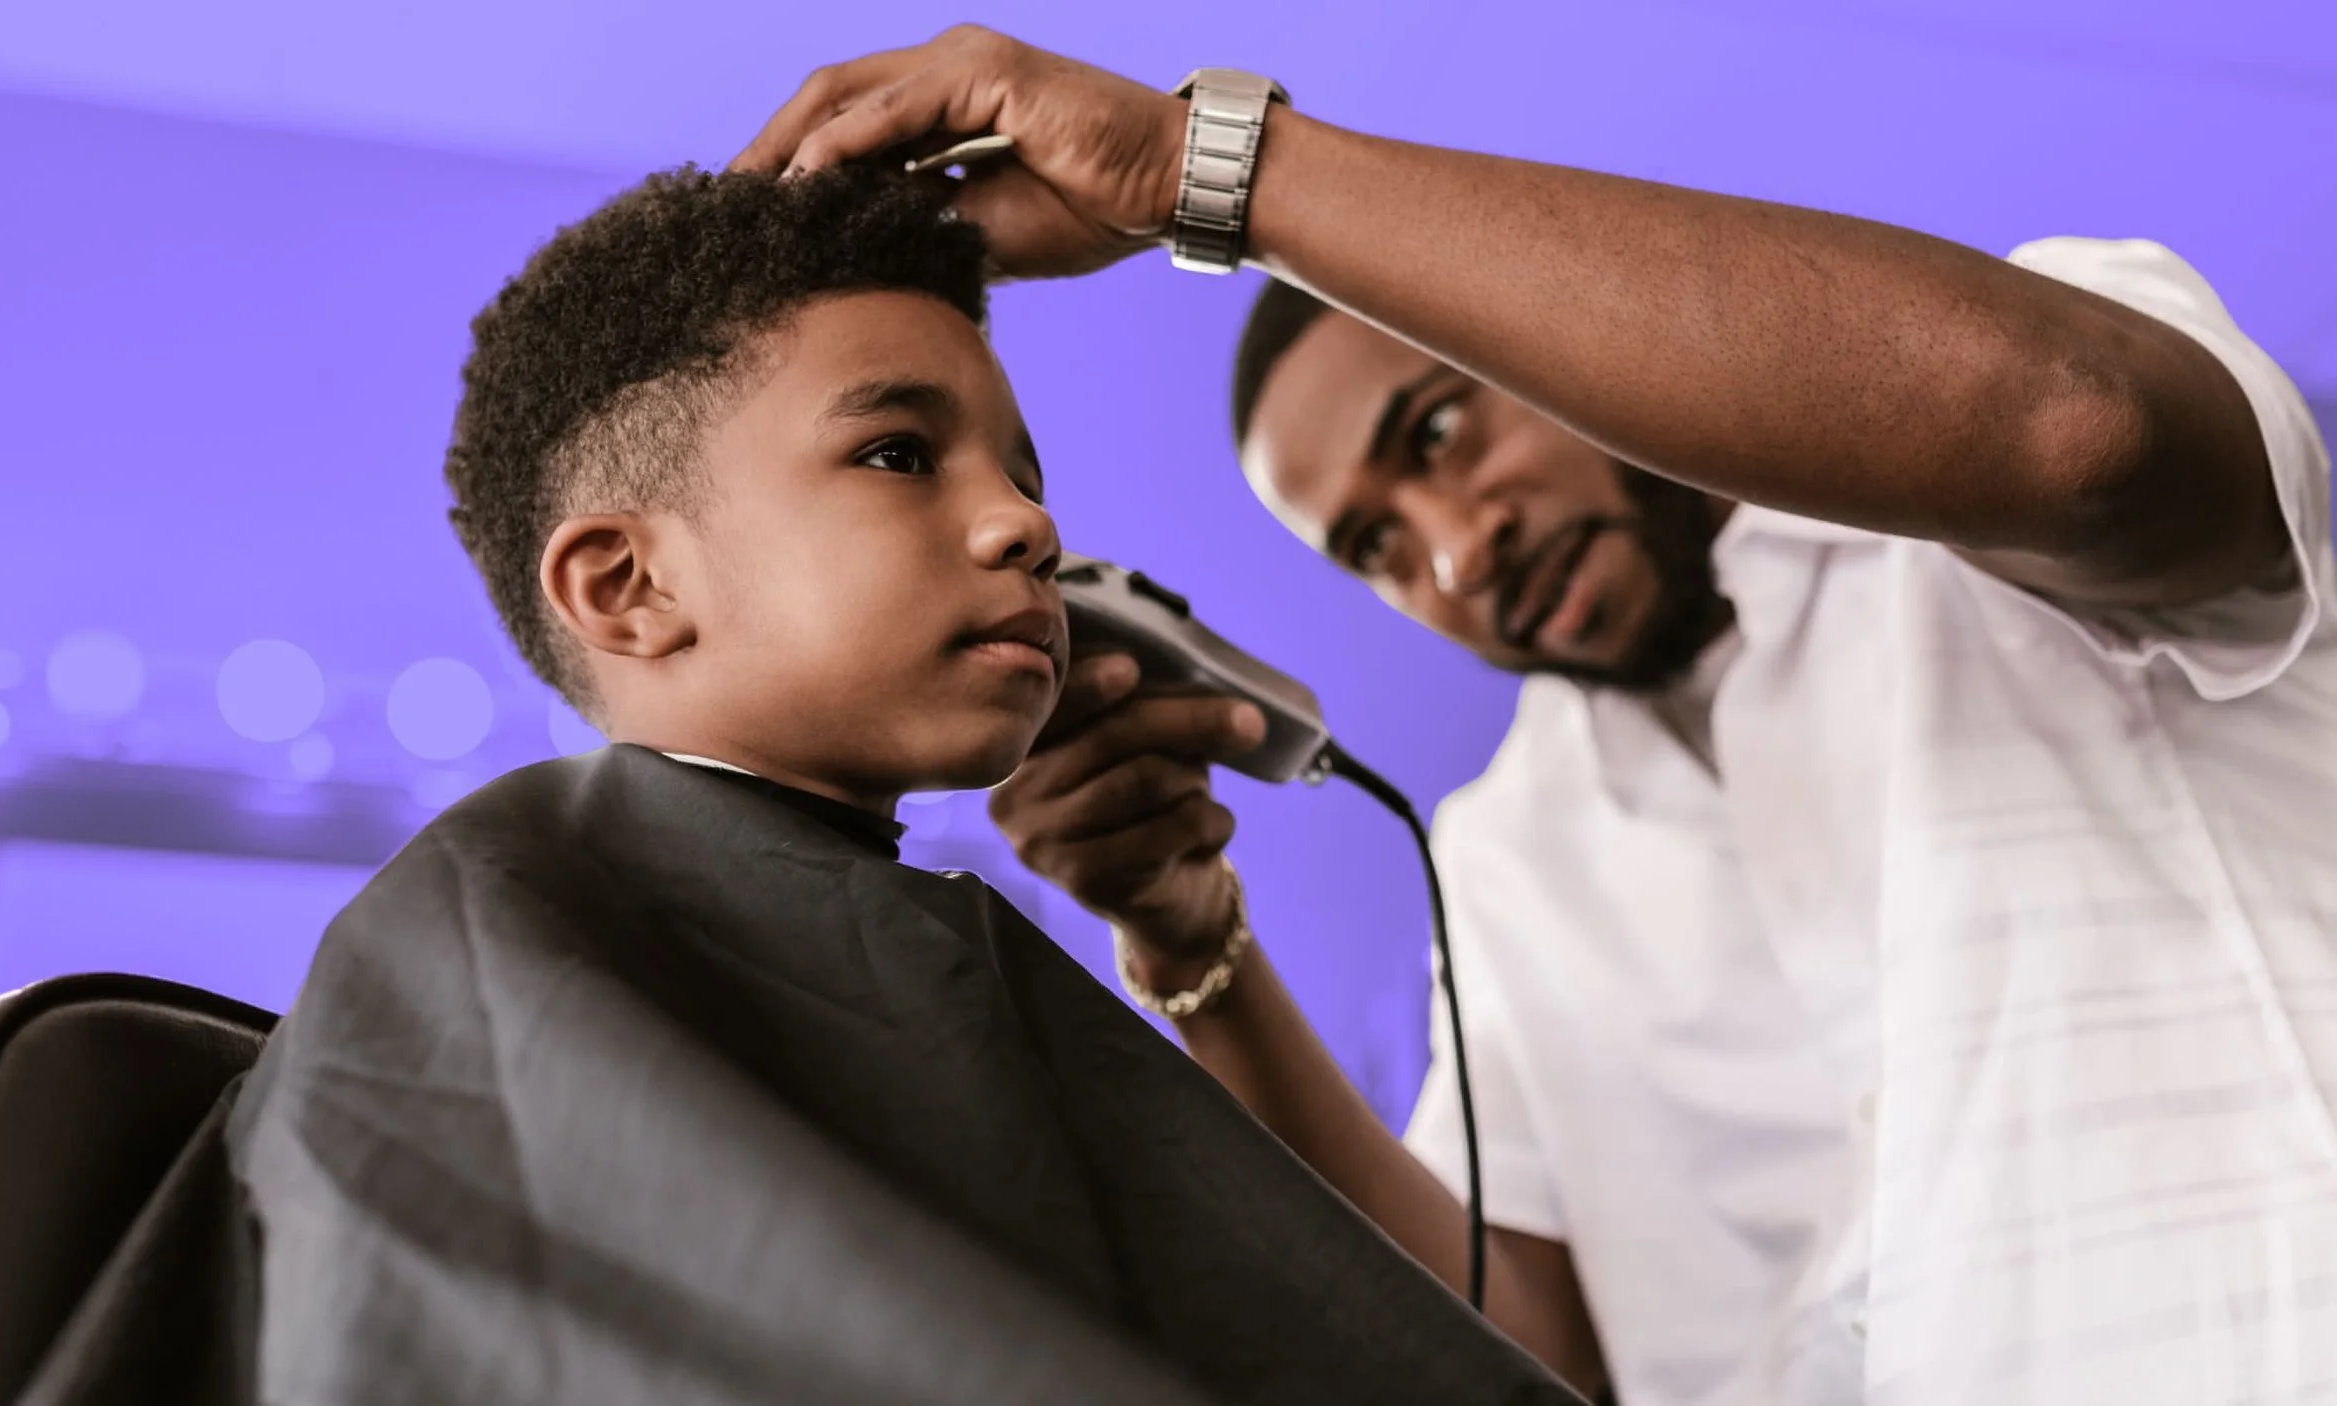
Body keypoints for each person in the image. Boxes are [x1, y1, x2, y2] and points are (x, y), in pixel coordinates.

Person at [734, 26, 2337, 1406]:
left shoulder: (2005, 511)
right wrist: (1189, 943)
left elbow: (2081, 434)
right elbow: (1514, 1349)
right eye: (1375, 546)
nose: (1451, 549)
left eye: (1439, 431)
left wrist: (1201, 170)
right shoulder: (1510, 858)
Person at [14, 165, 1584, 1406]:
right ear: (626, 588)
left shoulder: (921, 940)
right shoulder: (514, 928)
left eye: (1027, 476)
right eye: (903, 454)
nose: (1027, 527)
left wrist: (1194, 938)